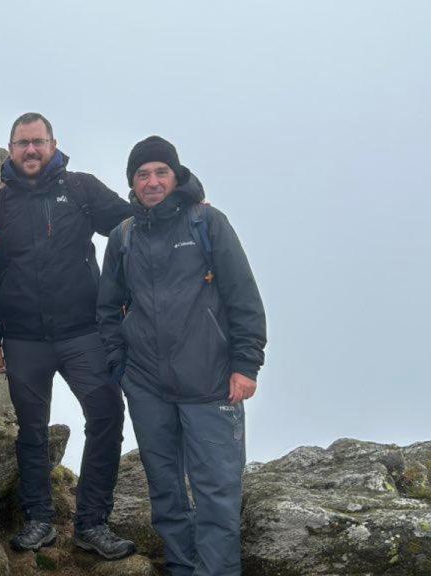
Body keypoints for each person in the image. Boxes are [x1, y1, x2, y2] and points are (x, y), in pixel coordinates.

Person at [97, 136, 267, 575]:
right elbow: (108, 309)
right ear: (132, 183)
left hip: (211, 384)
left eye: (160, 172)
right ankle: (181, 566)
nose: (152, 181)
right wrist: (122, 369)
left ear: (176, 176)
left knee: (216, 495)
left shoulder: (207, 224)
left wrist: (245, 366)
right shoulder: (123, 236)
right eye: (143, 174)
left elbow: (243, 298)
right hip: (148, 387)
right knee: (166, 493)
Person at [0, 113, 137, 558]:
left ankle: (92, 523)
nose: (31, 150)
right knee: (31, 429)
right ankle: (40, 520)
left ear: (53, 144)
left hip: (84, 332)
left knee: (105, 416)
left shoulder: (81, 189)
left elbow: (131, 226)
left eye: (38, 142)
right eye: (23, 143)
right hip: (23, 339)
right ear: (10, 150)